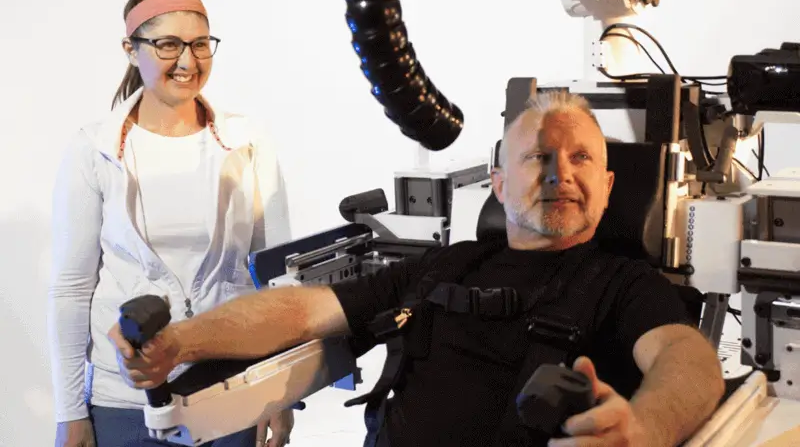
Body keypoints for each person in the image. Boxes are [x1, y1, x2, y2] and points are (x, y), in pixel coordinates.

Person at [106, 90, 726, 447]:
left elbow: (688, 360)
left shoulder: (624, 284)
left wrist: (644, 428)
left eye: (581, 158)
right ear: (499, 185)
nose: (560, 174)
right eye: (538, 157)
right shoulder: (445, 266)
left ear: (609, 186)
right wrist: (180, 343)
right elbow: (301, 311)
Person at [48, 0, 296, 447]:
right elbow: (71, 289)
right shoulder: (94, 149)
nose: (188, 61)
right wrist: (70, 412)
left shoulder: (247, 142)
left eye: (200, 44)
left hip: (231, 386)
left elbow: (279, 278)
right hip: (126, 399)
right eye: (168, 45)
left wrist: (281, 391)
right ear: (131, 49)